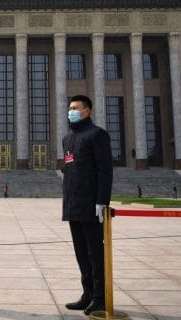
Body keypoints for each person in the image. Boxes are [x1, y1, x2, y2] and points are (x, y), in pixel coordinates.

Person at [62, 95, 112, 315]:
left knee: (94, 252)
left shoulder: (97, 135)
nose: (71, 111)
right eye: (69, 108)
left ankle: (100, 297)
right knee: (81, 252)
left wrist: (102, 201)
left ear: (86, 111)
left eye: (75, 108)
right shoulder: (68, 138)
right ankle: (87, 294)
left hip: (92, 204)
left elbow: (104, 170)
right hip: (74, 205)